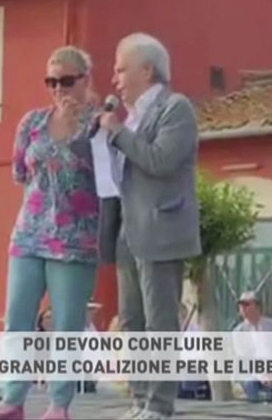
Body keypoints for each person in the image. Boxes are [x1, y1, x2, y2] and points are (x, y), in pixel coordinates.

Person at [0, 46, 100, 420]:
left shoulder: (99, 123)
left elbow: (104, 176)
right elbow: (19, 172)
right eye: (51, 81)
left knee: (66, 324)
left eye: (66, 80)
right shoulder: (32, 122)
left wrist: (74, 133)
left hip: (75, 239)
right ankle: (12, 400)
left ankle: (59, 405)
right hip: (29, 233)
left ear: (85, 79)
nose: (58, 88)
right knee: (18, 317)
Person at [99, 32, 201, 420]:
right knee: (132, 321)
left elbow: (160, 160)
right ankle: (140, 399)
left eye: (121, 70)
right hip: (130, 231)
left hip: (161, 229)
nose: (115, 79)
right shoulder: (130, 118)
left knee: (160, 321)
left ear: (146, 70)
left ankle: (160, 405)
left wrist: (117, 133)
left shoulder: (176, 108)